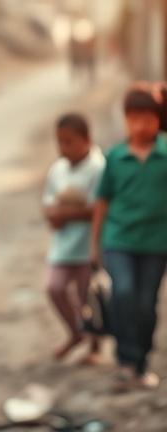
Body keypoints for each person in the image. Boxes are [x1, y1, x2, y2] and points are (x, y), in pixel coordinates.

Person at [91, 85, 167, 391]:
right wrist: (94, 246)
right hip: (119, 240)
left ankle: (141, 363)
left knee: (147, 305)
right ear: (126, 120)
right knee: (122, 294)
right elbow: (102, 203)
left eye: (147, 118)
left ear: (157, 119)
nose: (140, 125)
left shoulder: (165, 154)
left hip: (156, 243)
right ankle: (124, 361)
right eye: (134, 118)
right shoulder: (115, 157)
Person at [41, 113, 104, 364]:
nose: (63, 148)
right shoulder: (58, 169)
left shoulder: (99, 167)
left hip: (88, 245)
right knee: (54, 287)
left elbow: (99, 207)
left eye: (69, 142)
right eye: (60, 142)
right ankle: (76, 332)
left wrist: (66, 212)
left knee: (87, 296)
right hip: (63, 245)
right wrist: (56, 214)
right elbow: (49, 205)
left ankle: (94, 347)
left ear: (86, 140)